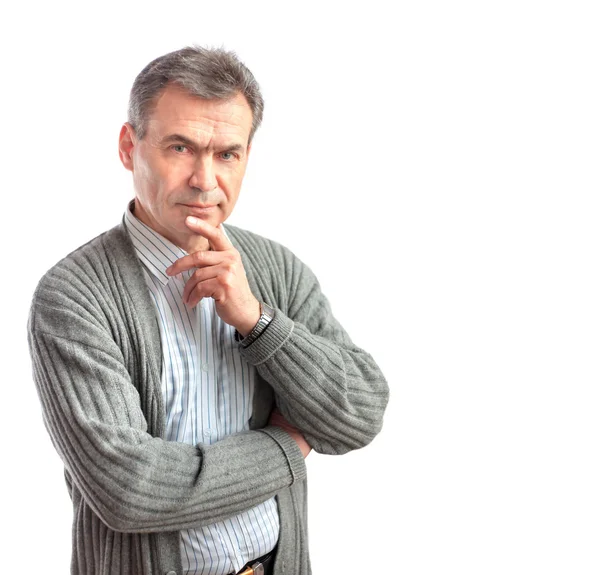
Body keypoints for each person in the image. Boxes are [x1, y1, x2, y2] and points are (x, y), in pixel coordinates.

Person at [27, 46, 389, 575]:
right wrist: (288, 446)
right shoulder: (74, 296)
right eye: (181, 147)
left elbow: (360, 414)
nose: (204, 179)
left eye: (227, 154)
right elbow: (130, 490)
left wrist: (257, 321)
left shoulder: (275, 269)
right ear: (130, 147)